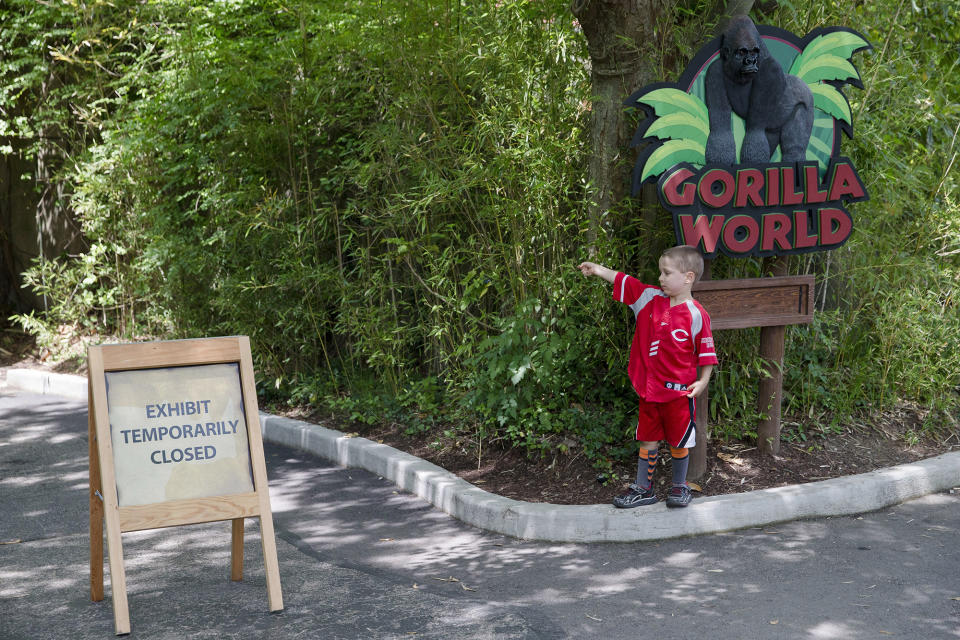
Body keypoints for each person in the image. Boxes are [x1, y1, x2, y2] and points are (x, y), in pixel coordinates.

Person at [577, 246, 717, 508]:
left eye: (666, 273)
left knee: (679, 440)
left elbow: (706, 350)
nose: (661, 278)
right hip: (649, 390)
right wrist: (597, 270)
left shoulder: (696, 313)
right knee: (648, 438)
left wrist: (704, 379)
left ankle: (679, 487)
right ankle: (644, 489)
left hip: (679, 393)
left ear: (688, 277)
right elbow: (625, 281)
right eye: (660, 273)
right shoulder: (649, 299)